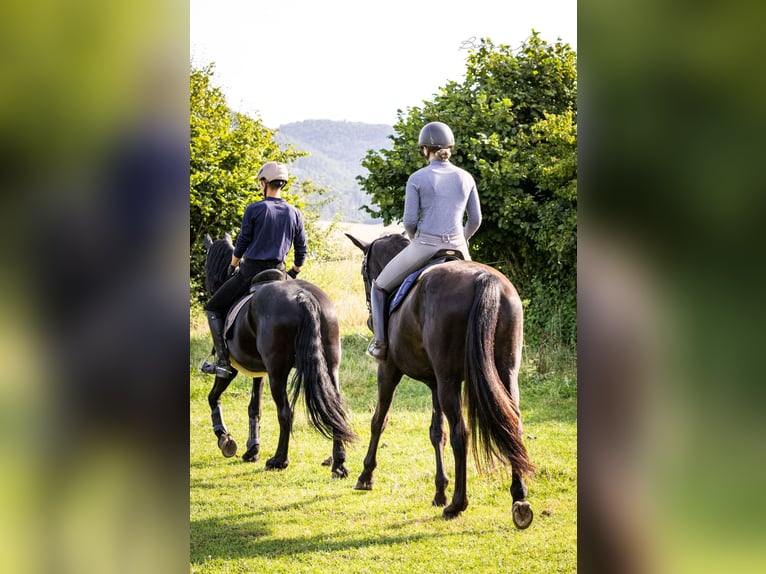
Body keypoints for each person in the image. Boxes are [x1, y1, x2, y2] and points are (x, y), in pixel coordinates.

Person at [367, 121, 482, 361]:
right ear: (449, 147)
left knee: (379, 286)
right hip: (459, 247)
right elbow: (476, 220)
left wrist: (416, 240)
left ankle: (379, 344)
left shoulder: (417, 178)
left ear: (425, 149)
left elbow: (409, 221)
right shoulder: (466, 177)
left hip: (425, 246)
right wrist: (463, 239)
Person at [201, 161, 308, 376]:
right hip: (280, 274)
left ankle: (222, 361)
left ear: (264, 183)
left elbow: (242, 242)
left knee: (213, 307)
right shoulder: (294, 212)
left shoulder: (255, 208)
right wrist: (294, 273)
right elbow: (301, 249)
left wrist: (232, 266)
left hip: (251, 272)